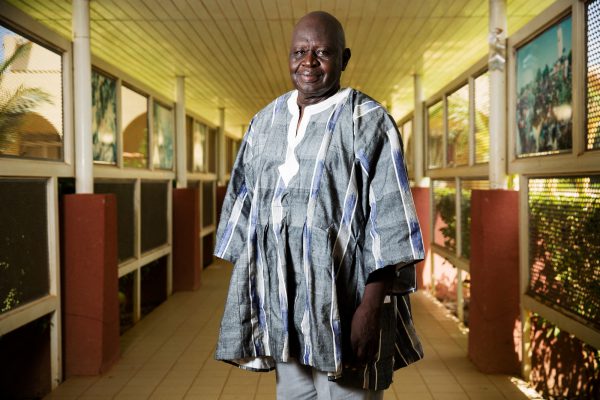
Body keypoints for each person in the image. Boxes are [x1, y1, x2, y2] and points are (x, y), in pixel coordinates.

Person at [214, 11, 425, 400]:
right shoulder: (265, 121)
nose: (308, 62)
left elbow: (391, 221)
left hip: (346, 307)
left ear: (343, 59)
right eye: (300, 51)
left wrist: (370, 310)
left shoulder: (369, 120)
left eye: (322, 52)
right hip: (286, 309)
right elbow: (244, 206)